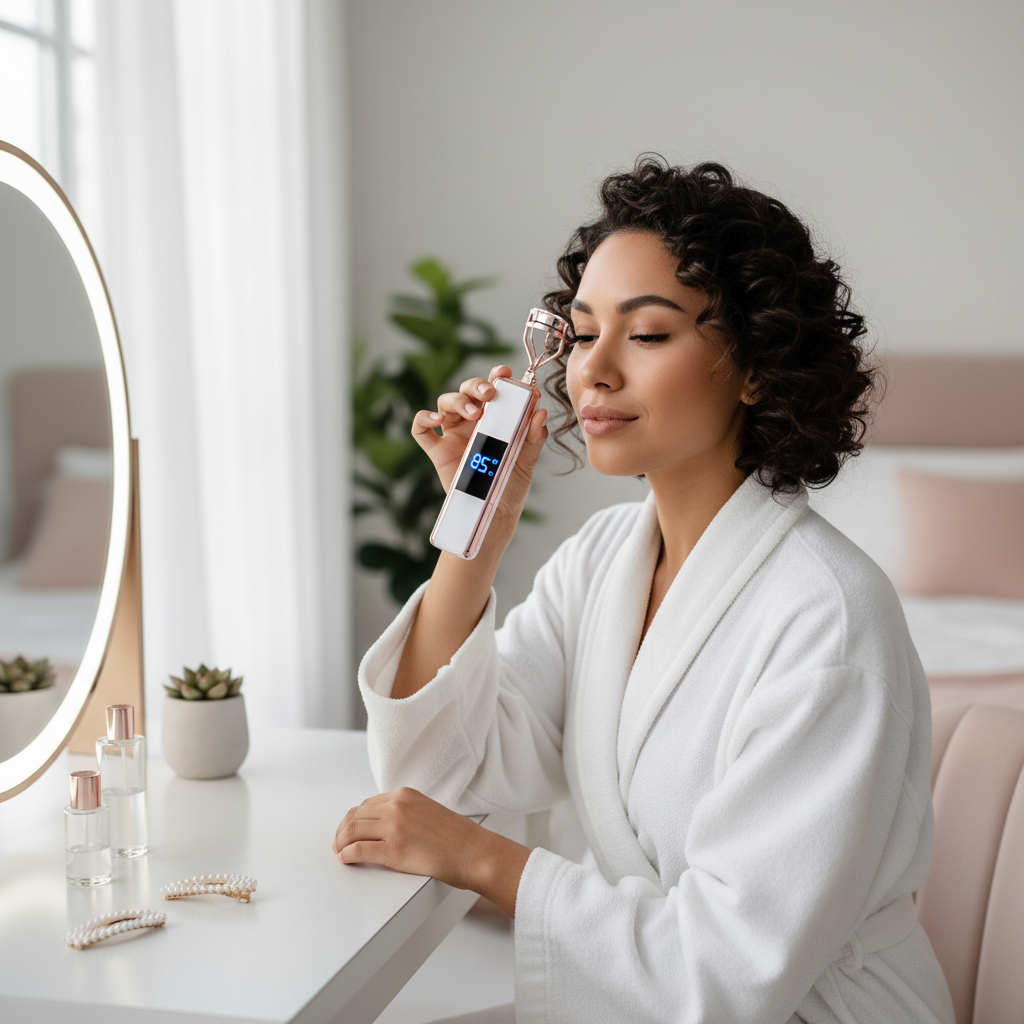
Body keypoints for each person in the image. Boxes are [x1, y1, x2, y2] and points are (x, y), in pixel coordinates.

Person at [333, 158, 955, 1024]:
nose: (595, 370)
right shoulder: (605, 560)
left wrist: (485, 861)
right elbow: (439, 770)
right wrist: (480, 530)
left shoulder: (829, 619)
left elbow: (728, 973)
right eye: (582, 334)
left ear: (753, 367)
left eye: (649, 334)